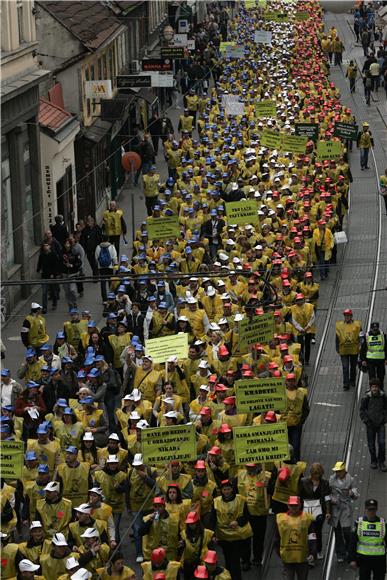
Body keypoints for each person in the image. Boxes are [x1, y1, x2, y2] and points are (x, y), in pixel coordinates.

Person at [211, 479, 252, 579]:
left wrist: (238, 521)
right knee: (227, 559)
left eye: (228, 489)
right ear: (221, 490)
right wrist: (213, 534)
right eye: (224, 489)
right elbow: (213, 519)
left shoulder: (241, 499)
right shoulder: (216, 502)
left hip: (237, 535)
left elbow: (247, 516)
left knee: (234, 560)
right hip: (223, 536)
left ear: (232, 489)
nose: (226, 492)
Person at [275, 496, 317, 579]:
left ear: (300, 505)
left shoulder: (306, 518)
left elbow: (312, 536)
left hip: (302, 557)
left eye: (295, 505)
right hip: (287, 557)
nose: (293, 507)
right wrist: (278, 552)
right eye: (291, 505)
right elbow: (277, 537)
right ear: (288, 505)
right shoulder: (281, 519)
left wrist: (312, 552)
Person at [299, 463, 331, 560]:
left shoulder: (325, 483)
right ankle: (309, 551)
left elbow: (327, 497)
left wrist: (328, 511)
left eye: (318, 474)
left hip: (319, 511)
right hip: (306, 511)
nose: (316, 476)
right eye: (315, 474)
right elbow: (299, 496)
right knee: (308, 531)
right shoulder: (303, 482)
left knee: (318, 531)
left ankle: (317, 551)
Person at [349, 498, 387, 580]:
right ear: (365, 509)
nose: (371, 512)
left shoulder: (383, 523)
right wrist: (352, 559)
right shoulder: (359, 523)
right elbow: (352, 542)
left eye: (373, 509)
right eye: (369, 509)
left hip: (379, 560)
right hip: (363, 559)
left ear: (376, 509)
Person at [329, 461, 359, 563]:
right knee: (337, 533)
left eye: (339, 471)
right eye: (336, 471)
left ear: (343, 471)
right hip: (336, 508)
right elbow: (328, 493)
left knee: (347, 531)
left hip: (345, 508)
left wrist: (352, 494)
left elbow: (355, 494)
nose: (337, 473)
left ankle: (349, 550)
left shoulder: (350, 479)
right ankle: (340, 554)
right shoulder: (331, 479)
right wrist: (331, 499)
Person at [360, 378, 387, 471]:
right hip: (370, 425)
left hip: (380, 424)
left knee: (382, 443)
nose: (374, 389)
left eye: (376, 387)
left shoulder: (383, 396)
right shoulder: (366, 398)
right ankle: (373, 460)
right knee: (371, 444)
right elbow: (362, 410)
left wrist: (384, 419)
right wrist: (366, 420)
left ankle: (381, 461)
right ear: (370, 387)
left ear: (379, 387)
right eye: (373, 387)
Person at [336, 309, 362, 390]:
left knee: (353, 366)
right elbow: (337, 337)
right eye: (345, 315)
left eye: (348, 315)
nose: (346, 317)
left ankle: (352, 380)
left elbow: (361, 336)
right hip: (343, 350)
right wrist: (337, 348)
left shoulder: (357, 325)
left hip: (354, 349)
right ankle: (346, 383)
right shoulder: (339, 325)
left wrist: (361, 346)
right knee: (345, 367)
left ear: (351, 316)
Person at [360, 322, 387, 387]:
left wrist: (386, 358)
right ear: (371, 329)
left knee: (381, 375)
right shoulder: (366, 336)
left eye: (376, 329)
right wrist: (363, 360)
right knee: (372, 376)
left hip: (381, 359)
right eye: (373, 329)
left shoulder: (383, 335)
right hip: (370, 359)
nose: (375, 330)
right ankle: (372, 389)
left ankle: (380, 389)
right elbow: (363, 349)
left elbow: (386, 347)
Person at [95, 236, 118, 303]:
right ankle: (111, 297)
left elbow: (96, 258)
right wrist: (115, 264)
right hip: (109, 267)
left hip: (101, 268)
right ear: (108, 239)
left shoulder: (98, 247)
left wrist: (98, 264)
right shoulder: (111, 247)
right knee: (110, 283)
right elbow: (114, 257)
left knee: (103, 283)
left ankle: (104, 299)